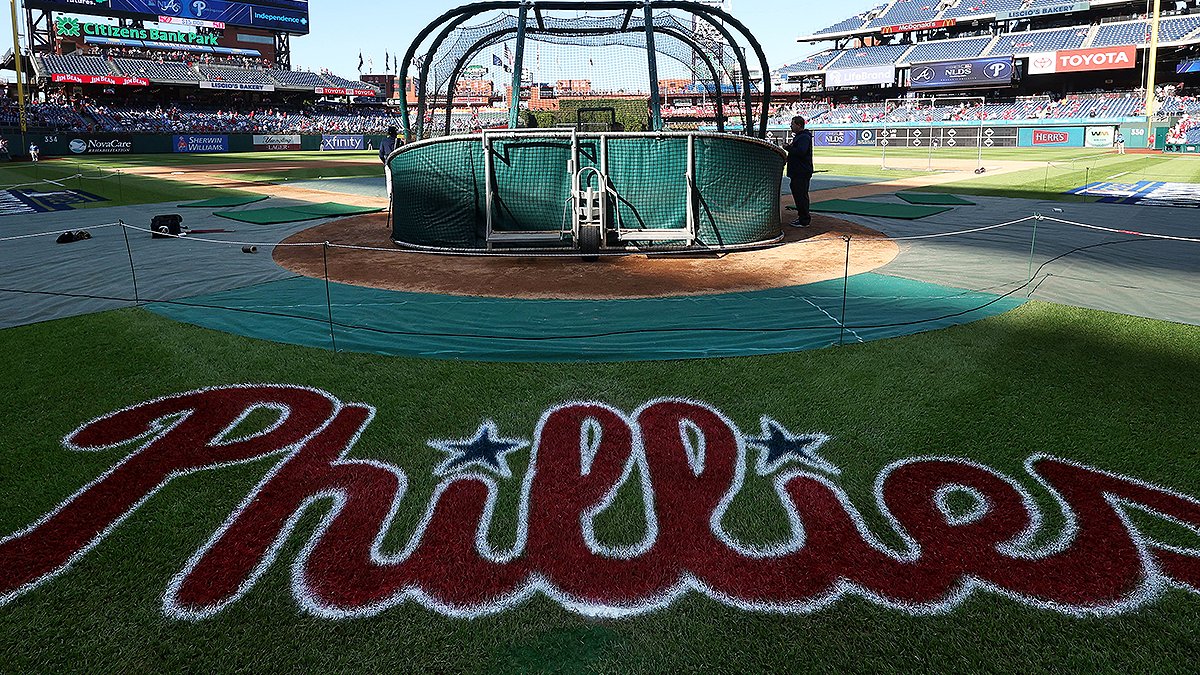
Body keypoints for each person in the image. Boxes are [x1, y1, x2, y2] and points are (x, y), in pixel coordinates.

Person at [786, 116, 813, 227]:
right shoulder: (800, 137)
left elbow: (801, 152)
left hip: (801, 171)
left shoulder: (803, 137)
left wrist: (788, 148)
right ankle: (802, 217)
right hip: (798, 171)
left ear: (799, 125)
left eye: (792, 124)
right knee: (799, 195)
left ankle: (804, 220)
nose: (791, 126)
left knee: (801, 196)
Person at [379, 126, 400, 197]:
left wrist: (385, 162)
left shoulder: (384, 141)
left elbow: (381, 154)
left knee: (389, 180)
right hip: (397, 164)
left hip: (388, 161)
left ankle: (390, 196)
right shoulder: (399, 141)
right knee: (398, 180)